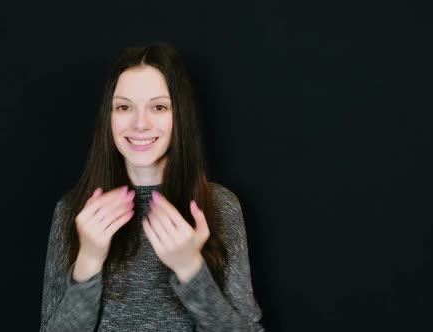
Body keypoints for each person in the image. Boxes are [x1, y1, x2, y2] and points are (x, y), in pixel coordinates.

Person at [39, 43, 264, 331]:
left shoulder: (220, 206)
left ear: (179, 116)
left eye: (158, 107)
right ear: (108, 117)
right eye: (124, 107)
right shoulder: (73, 210)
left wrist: (191, 270)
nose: (140, 124)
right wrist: (89, 260)